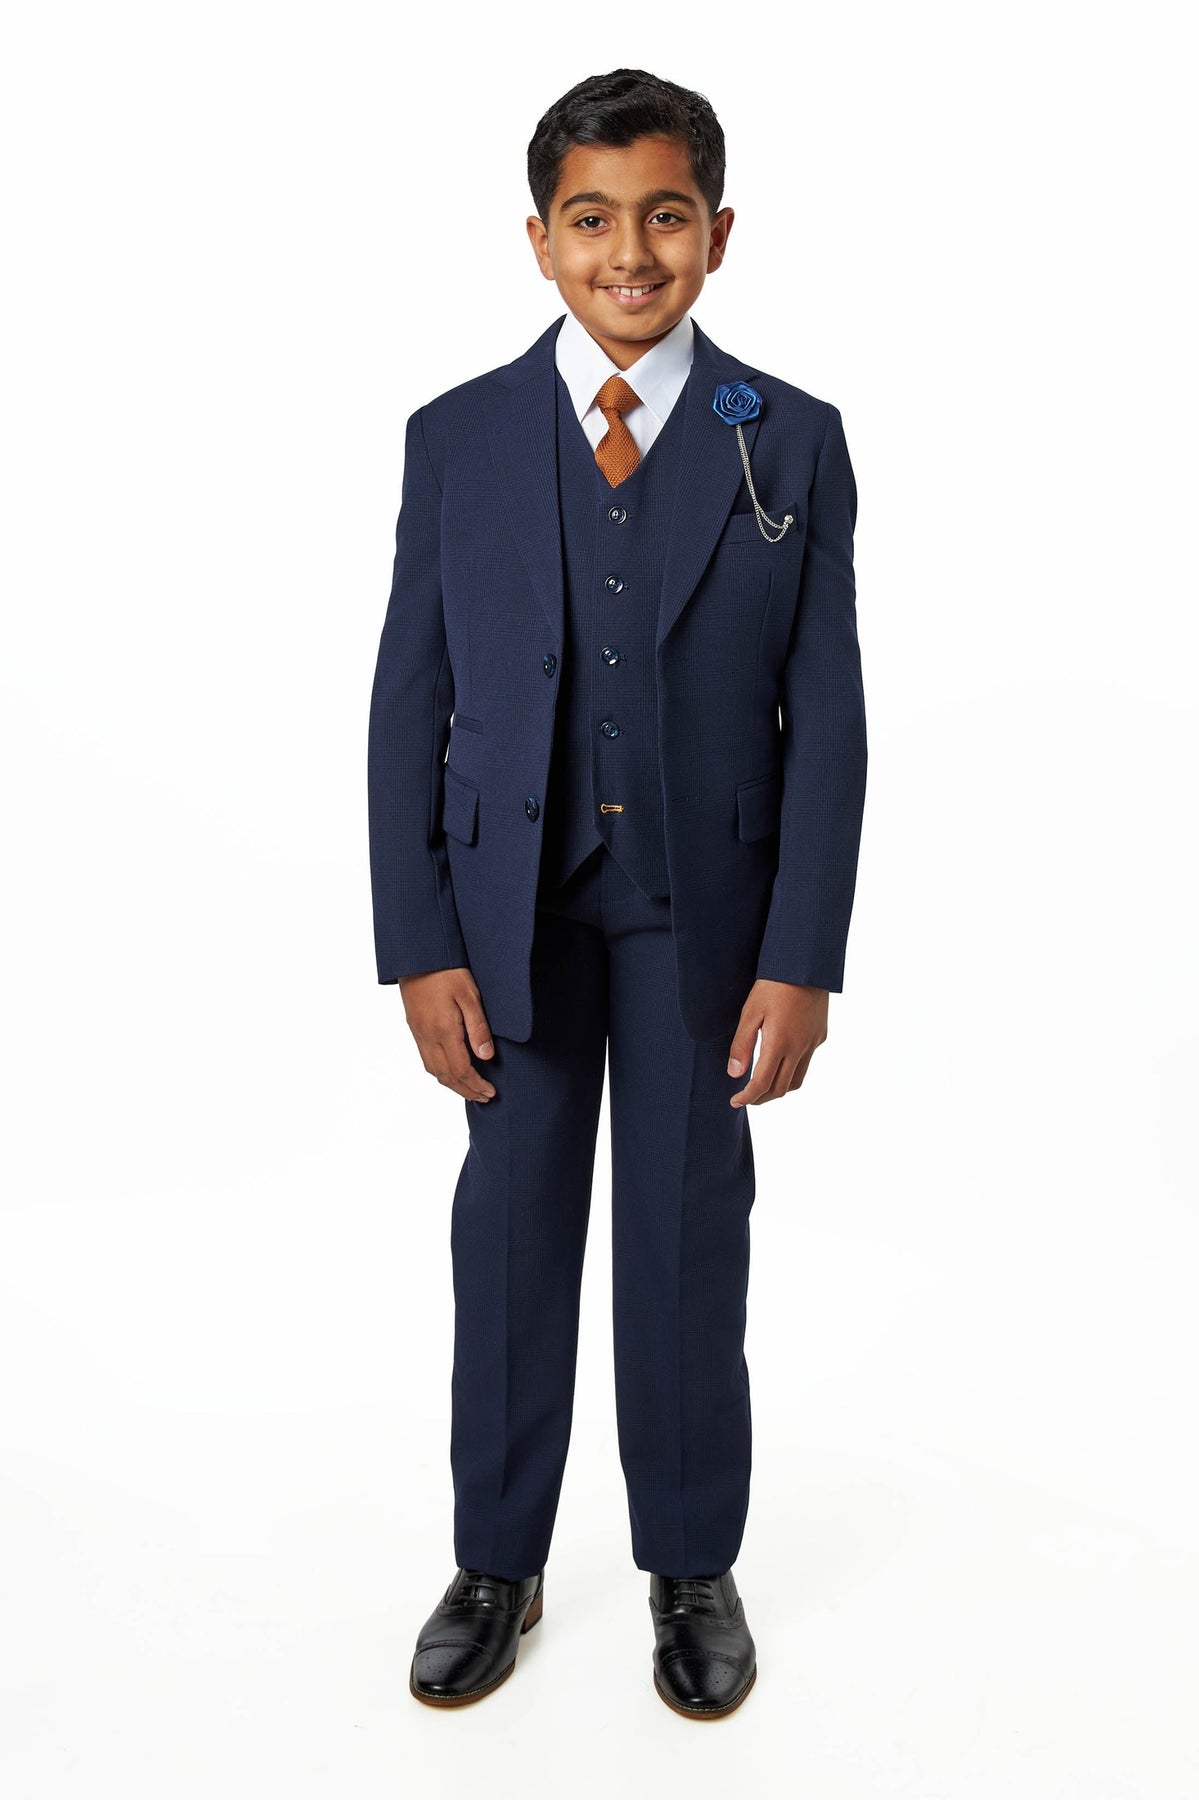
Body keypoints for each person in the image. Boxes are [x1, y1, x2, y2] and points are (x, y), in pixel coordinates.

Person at [366, 67, 867, 1719]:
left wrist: (801, 955)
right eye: (592, 219)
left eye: (665, 216)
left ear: (717, 232)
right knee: (510, 1238)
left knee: (684, 1238)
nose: (629, 253)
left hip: (699, 920)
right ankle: (495, 1562)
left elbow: (830, 715)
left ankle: (691, 1564)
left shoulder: (788, 436)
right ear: (540, 240)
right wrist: (417, 941)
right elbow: (408, 697)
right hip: (505, 917)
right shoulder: (457, 437)